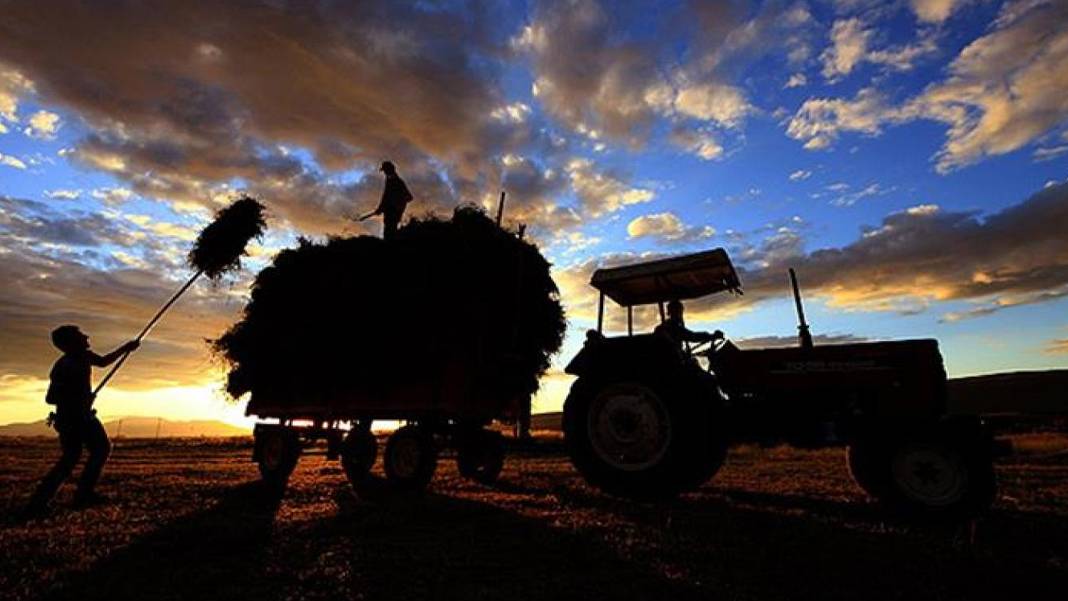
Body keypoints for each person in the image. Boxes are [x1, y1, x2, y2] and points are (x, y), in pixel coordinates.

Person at [24, 325, 139, 515]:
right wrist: (79, 397)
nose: (86, 336)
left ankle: (51, 499)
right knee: (95, 450)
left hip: (78, 416)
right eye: (80, 335)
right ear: (71, 343)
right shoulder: (64, 365)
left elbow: (103, 362)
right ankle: (75, 496)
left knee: (78, 455)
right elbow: (51, 398)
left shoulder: (84, 357)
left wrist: (126, 348)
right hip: (73, 418)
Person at [654, 299, 723, 351]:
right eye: (679, 312)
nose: (680, 315)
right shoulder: (672, 327)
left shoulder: (663, 327)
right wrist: (711, 336)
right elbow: (693, 337)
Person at [371, 160, 413, 240]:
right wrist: (380, 208)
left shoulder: (397, 182)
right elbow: (386, 197)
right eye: (384, 171)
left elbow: (409, 197)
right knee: (389, 231)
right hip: (390, 211)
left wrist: (397, 206)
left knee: (390, 231)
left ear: (390, 170)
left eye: (386, 171)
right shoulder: (389, 181)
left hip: (394, 211)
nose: (385, 173)